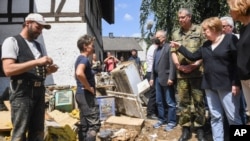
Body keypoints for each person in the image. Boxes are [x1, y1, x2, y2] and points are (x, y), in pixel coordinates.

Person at [171, 17, 243, 141]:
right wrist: (180, 47)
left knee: (233, 118)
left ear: (214, 29)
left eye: (206, 30)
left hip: (227, 85)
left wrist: (236, 82)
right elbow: (193, 56)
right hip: (210, 85)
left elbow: (238, 62)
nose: (203, 32)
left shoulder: (230, 39)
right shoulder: (206, 45)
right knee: (215, 117)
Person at [1, 13, 58, 140]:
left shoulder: (39, 46)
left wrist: (49, 71)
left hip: (39, 91)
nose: (40, 32)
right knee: (20, 132)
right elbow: (8, 69)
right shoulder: (12, 41)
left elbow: (34, 72)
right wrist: (37, 61)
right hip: (22, 91)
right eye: (38, 27)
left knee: (38, 132)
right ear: (28, 23)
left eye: (42, 29)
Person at [171, 8, 207, 141]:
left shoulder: (199, 30)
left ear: (189, 17)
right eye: (179, 17)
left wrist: (194, 65)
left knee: (199, 102)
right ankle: (185, 129)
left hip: (197, 73)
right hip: (182, 74)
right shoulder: (175, 33)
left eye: (183, 17)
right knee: (183, 103)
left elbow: (205, 50)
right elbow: (173, 52)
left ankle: (200, 129)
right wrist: (178, 66)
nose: (180, 20)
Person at [227, 0, 250, 124]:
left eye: (231, 8)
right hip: (244, 80)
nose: (229, 12)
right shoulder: (243, 29)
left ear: (239, 8)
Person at [74, 34, 101, 141]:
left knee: (84, 125)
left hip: (80, 94)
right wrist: (89, 87)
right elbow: (79, 73)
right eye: (92, 45)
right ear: (85, 46)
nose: (93, 48)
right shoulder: (84, 59)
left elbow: (76, 75)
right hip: (86, 95)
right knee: (94, 126)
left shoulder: (79, 59)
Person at [150, 30, 177, 131]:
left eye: (158, 37)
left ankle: (171, 121)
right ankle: (162, 119)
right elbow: (153, 65)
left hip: (166, 79)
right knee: (159, 101)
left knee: (170, 102)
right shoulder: (156, 50)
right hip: (157, 79)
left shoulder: (169, 47)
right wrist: (152, 78)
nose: (156, 38)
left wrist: (171, 77)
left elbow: (172, 64)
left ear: (163, 38)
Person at [145, 39, 158, 120]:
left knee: (154, 93)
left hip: (150, 72)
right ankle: (150, 113)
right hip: (151, 72)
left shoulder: (151, 48)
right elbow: (154, 62)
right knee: (153, 93)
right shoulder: (153, 49)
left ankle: (154, 111)